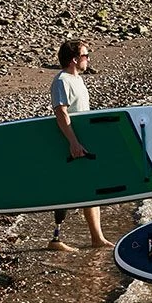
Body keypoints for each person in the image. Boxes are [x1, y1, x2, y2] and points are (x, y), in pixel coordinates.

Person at [47, 38, 110, 252]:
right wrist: (73, 142)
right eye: (86, 55)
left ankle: (96, 237)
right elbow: (61, 112)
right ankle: (57, 239)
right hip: (68, 144)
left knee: (89, 189)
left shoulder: (78, 80)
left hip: (80, 144)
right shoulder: (62, 81)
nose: (88, 59)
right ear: (75, 59)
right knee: (68, 189)